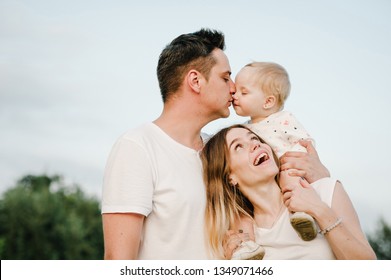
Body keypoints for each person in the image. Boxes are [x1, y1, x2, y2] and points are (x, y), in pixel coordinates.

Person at [101, 28, 235, 259]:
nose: (234, 88)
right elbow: (118, 260)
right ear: (195, 81)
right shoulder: (137, 147)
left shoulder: (222, 150)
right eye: (225, 78)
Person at [201, 124, 376, 260]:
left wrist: (319, 210)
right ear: (230, 177)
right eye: (238, 146)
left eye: (254, 138)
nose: (255, 144)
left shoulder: (325, 190)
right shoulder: (245, 242)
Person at [232, 62, 320, 245]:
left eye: (244, 92)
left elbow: (304, 143)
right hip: (265, 185)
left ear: (268, 101)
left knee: (290, 177)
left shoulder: (283, 120)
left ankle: (302, 215)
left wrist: (293, 163)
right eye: (235, 90)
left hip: (286, 168)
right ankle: (246, 245)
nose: (235, 95)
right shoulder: (244, 129)